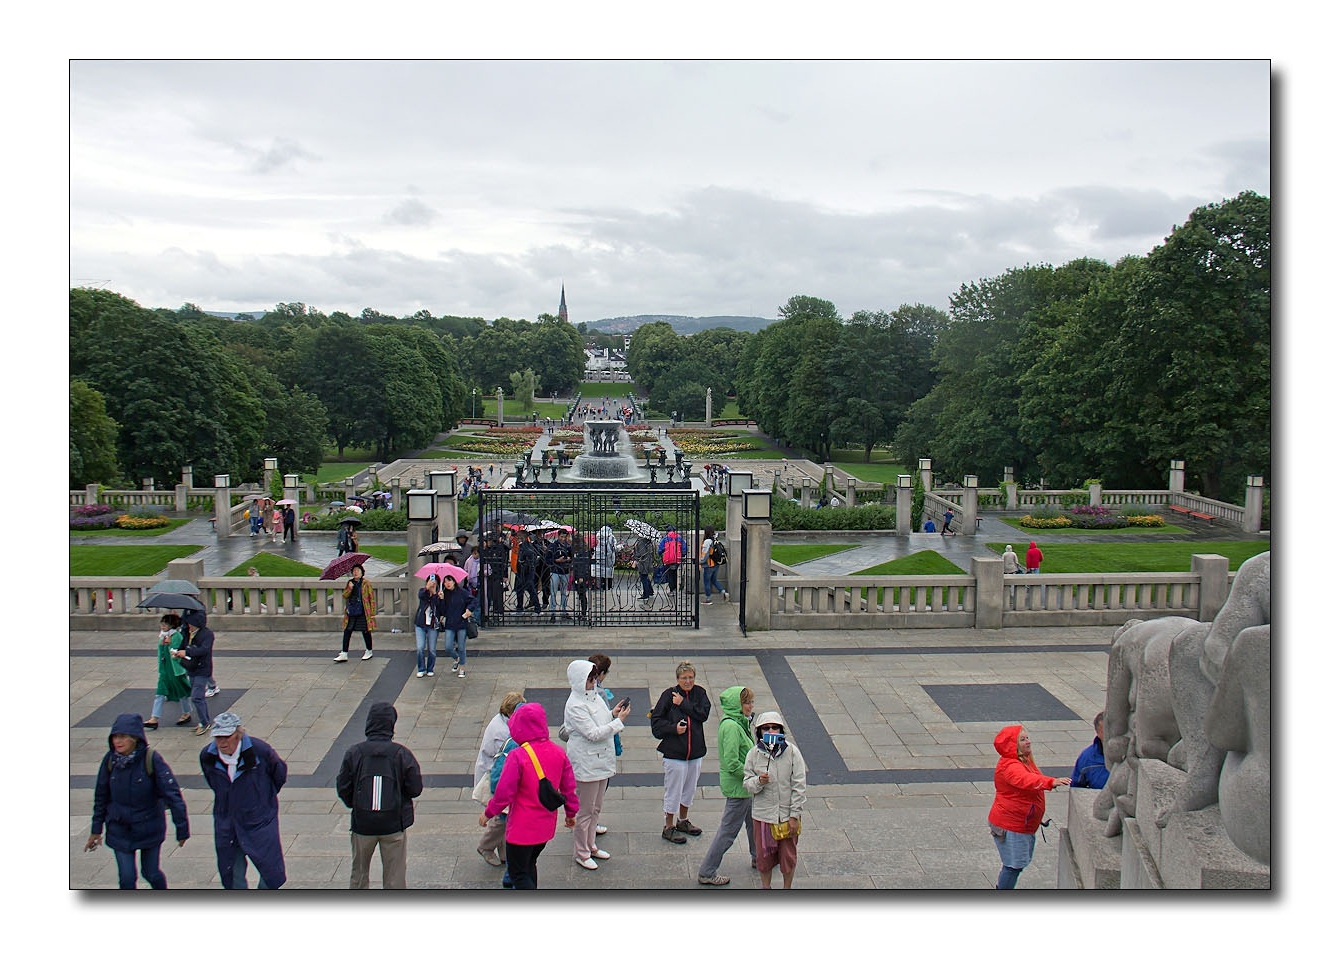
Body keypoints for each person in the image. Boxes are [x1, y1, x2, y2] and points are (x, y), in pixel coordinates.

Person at [479, 702, 579, 890]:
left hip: (521, 828)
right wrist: (571, 814)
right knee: (529, 864)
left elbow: (504, 793)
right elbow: (569, 788)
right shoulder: (558, 752)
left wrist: (489, 812)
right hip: (545, 826)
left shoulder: (518, 756)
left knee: (518, 873)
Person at [85, 713, 190, 889]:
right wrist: (96, 829)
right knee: (127, 878)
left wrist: (182, 828)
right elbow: (101, 796)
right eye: (115, 737)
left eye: (123, 737)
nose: (117, 741)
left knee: (150, 872)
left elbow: (173, 795)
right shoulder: (110, 760)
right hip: (119, 828)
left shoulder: (151, 759)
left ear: (135, 738)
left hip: (148, 827)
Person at [335, 701, 424, 889]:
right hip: (393, 823)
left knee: (359, 874)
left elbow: (343, 786)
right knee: (395, 877)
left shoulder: (355, 753)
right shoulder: (401, 754)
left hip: (363, 823)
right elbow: (415, 788)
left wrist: (356, 803)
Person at [199, 711, 288, 889]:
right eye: (218, 737)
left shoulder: (260, 751)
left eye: (227, 736)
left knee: (270, 872)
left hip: (259, 820)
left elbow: (278, 773)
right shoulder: (207, 756)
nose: (222, 742)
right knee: (232, 874)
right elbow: (215, 783)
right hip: (228, 822)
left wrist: (262, 798)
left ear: (238, 735)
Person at [564, 658, 630, 870]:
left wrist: (613, 714)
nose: (593, 682)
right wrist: (618, 722)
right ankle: (581, 852)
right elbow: (592, 733)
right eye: (590, 679)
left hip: (601, 760)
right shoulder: (575, 704)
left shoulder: (593, 697)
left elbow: (602, 721)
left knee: (596, 808)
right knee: (585, 811)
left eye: (593, 678)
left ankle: (590, 845)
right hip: (587, 762)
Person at [988, 724, 1070, 889]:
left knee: (1015, 865)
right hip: (1012, 825)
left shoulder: (1021, 761)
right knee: (1013, 866)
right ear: (1013, 745)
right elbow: (1025, 779)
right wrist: (1050, 782)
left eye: (1027, 738)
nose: (1028, 742)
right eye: (1023, 739)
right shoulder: (1011, 766)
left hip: (1018, 824)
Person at [697, 686, 758, 886]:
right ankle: (707, 871)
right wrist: (753, 775)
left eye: (750, 702)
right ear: (737, 705)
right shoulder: (732, 727)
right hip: (739, 787)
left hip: (744, 786)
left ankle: (758, 857)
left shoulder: (738, 722)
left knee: (753, 822)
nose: (750, 706)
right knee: (728, 831)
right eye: (747, 703)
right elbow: (732, 762)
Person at [744, 709, 807, 890]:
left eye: (774, 728)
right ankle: (766, 888)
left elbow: (799, 785)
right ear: (759, 732)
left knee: (788, 857)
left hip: (787, 815)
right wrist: (758, 781)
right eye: (766, 728)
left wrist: (794, 815)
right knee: (764, 858)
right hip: (763, 816)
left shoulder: (792, 752)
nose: (771, 731)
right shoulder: (753, 754)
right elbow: (747, 783)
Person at [650, 660, 711, 843]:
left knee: (689, 789)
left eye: (691, 677)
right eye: (684, 678)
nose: (688, 681)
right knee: (674, 790)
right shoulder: (668, 696)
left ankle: (683, 820)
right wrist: (673, 729)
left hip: (695, 752)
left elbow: (703, 714)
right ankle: (668, 826)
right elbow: (656, 723)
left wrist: (684, 703)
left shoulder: (700, 693)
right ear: (677, 679)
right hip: (675, 753)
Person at [474, 691, 526, 867]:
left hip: (496, 775)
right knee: (501, 818)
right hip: (495, 778)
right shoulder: (503, 731)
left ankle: (504, 852)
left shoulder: (502, 723)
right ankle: (486, 846)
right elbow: (505, 762)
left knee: (506, 816)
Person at [145, 613, 193, 730]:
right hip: (165, 669)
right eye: (162, 623)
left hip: (175, 670)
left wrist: (169, 644)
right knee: (160, 692)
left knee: (181, 692)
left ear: (171, 625)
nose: (162, 626)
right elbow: (161, 651)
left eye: (165, 624)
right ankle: (154, 718)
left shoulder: (176, 636)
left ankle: (186, 713)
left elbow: (177, 651)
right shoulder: (162, 636)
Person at [172, 607, 215, 735]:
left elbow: (204, 650)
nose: (188, 625)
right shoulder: (186, 633)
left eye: (190, 623)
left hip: (203, 669)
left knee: (197, 697)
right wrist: (177, 652)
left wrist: (187, 652)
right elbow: (182, 646)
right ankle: (205, 720)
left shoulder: (207, 634)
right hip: (191, 668)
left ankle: (204, 722)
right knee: (198, 696)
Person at [334, 563, 376, 662]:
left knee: (365, 631)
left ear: (362, 572)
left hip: (363, 611)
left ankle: (369, 650)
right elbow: (345, 595)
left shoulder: (366, 583)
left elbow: (371, 598)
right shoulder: (350, 582)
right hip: (352, 611)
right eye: (354, 571)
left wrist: (372, 613)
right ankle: (344, 653)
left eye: (358, 570)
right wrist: (350, 588)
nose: (356, 572)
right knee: (347, 631)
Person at [440, 572, 473, 678]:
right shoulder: (445, 594)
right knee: (448, 647)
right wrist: (441, 600)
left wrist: (468, 610)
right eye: (445, 582)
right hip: (450, 624)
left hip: (461, 623)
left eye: (449, 581)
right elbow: (443, 611)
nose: (447, 583)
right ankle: (457, 659)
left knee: (462, 647)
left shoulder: (462, 592)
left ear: (454, 581)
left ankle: (462, 667)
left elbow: (473, 601)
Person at [1070, 711, 1109, 789]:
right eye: (1106, 731)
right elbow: (1077, 788)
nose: (1111, 735)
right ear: (1098, 733)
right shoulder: (1087, 758)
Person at [413, 574, 441, 678]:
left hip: (432, 625)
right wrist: (427, 588)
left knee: (432, 649)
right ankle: (421, 668)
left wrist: (435, 594)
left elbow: (440, 607)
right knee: (420, 647)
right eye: (430, 580)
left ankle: (430, 668)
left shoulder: (438, 594)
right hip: (420, 624)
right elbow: (421, 596)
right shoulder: (422, 591)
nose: (432, 582)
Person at [547, 528, 574, 621]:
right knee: (553, 592)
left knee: (564, 592)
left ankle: (563, 610)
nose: (563, 539)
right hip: (555, 571)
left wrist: (568, 560)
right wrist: (556, 560)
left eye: (564, 537)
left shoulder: (568, 546)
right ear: (558, 536)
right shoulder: (553, 546)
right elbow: (548, 559)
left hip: (565, 571)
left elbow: (572, 557)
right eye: (561, 537)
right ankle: (552, 612)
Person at [701, 525, 726, 604]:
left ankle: (708, 599)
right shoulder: (715, 539)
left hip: (709, 565)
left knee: (707, 582)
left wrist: (700, 562)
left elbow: (705, 554)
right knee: (714, 580)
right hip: (716, 564)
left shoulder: (707, 541)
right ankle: (723, 592)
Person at [633, 528, 657, 603]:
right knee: (645, 577)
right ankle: (650, 591)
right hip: (648, 562)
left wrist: (636, 558)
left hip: (643, 563)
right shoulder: (648, 541)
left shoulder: (641, 542)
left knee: (643, 578)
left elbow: (642, 553)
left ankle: (645, 595)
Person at [659, 525, 686, 593]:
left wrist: (661, 553)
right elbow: (684, 548)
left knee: (670, 574)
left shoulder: (665, 539)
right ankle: (675, 588)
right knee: (675, 574)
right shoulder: (679, 538)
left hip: (668, 560)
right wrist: (682, 554)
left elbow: (660, 549)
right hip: (677, 559)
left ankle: (672, 590)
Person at [593, 524, 617, 591]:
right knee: (609, 572)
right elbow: (613, 547)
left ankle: (601, 586)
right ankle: (609, 586)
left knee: (601, 571)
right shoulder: (611, 536)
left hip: (599, 556)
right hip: (609, 558)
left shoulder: (598, 535)